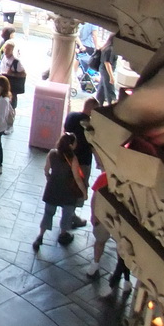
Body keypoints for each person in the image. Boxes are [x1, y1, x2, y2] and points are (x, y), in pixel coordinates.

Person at [31, 132, 87, 251]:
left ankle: (40, 236)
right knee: (67, 214)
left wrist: (48, 177)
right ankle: (63, 234)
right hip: (68, 192)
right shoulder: (73, 159)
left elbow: (46, 169)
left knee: (48, 213)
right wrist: (84, 192)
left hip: (52, 189)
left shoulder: (52, 153)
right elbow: (77, 178)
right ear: (71, 145)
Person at [64, 96, 98, 228]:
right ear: (92, 110)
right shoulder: (90, 126)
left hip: (67, 158)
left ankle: (67, 213)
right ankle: (70, 216)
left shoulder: (71, 116)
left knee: (68, 186)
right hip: (82, 162)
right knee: (78, 188)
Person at [0, 39, 27, 130]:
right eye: (5, 48)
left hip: (12, 86)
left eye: (8, 49)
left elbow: (24, 73)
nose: (6, 50)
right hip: (4, 83)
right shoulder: (3, 56)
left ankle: (10, 125)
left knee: (11, 104)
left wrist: (12, 74)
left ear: (12, 50)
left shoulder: (16, 62)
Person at [95, 33, 117, 105]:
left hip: (103, 70)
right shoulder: (110, 49)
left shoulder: (106, 47)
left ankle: (99, 103)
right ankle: (111, 104)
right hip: (106, 71)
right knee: (110, 90)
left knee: (101, 88)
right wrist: (111, 76)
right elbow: (107, 63)